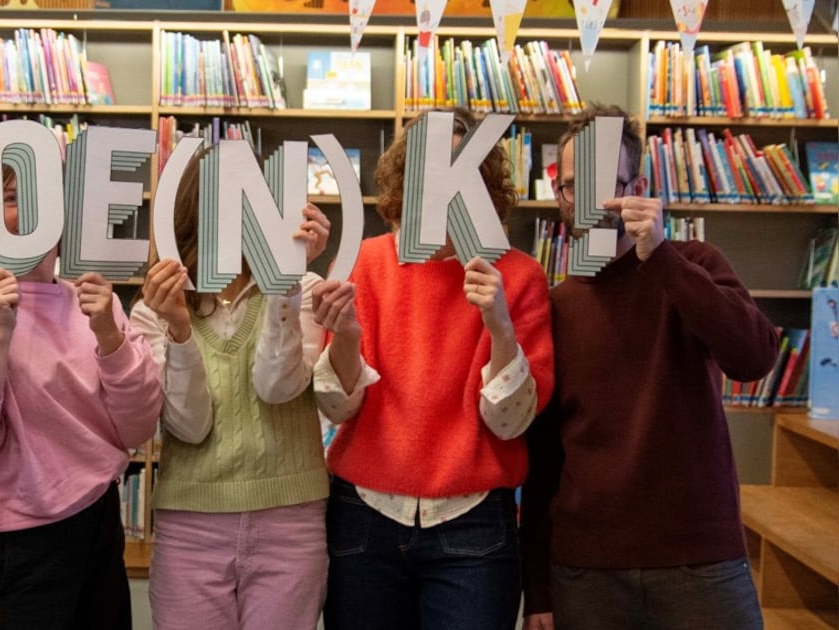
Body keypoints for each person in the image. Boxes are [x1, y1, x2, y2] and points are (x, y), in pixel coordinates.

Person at [520, 103, 779, 630]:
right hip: (587, 570)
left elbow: (754, 357)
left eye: (607, 185)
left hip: (699, 560)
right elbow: (543, 458)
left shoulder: (693, 264)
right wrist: (538, 588)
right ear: (558, 195)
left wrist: (659, 256)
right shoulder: (556, 305)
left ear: (637, 187)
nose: (589, 202)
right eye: (572, 186)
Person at [317, 106, 555, 630]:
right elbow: (337, 405)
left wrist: (500, 326)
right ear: (408, 176)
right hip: (365, 515)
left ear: (482, 180)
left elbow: (510, 422)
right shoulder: (366, 261)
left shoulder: (519, 276)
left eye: (459, 165)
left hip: (473, 524)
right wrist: (346, 338)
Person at [0, 167, 162, 630]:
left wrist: (110, 336)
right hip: (3, 545)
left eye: (44, 199)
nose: (29, 213)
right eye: (12, 198)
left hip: (96, 527)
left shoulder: (98, 306)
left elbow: (138, 426)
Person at [131, 148, 338, 630]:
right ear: (195, 213)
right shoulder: (154, 309)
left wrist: (282, 285)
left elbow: (278, 386)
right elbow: (189, 425)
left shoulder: (302, 288)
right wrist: (179, 329)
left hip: (289, 521)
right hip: (191, 524)